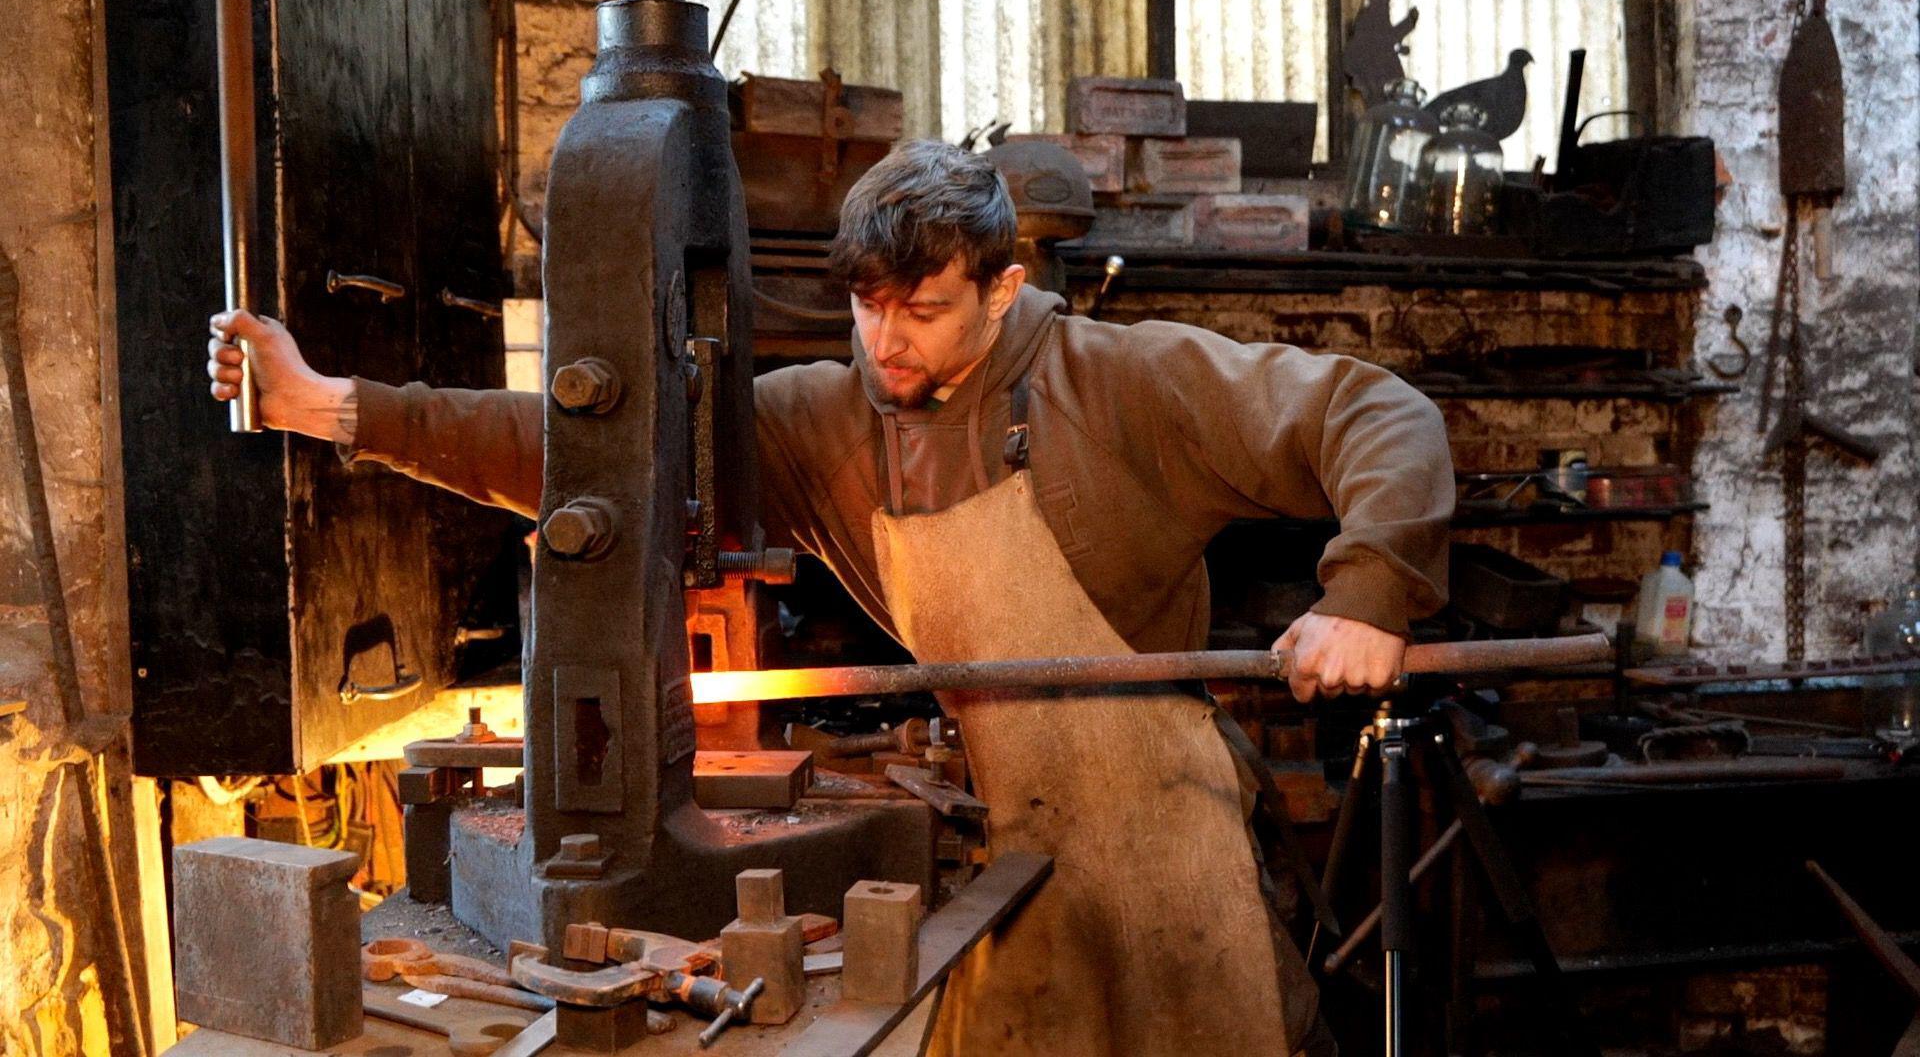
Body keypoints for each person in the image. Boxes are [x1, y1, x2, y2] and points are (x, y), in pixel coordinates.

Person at [209, 139, 1453, 1056]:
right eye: (867, 307)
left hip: (1165, 839)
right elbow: (593, 453)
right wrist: (337, 408)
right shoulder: (822, 421)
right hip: (1012, 837)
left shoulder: (1126, 384)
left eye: (925, 309)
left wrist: (1371, 590)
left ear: (1001, 288)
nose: (887, 341)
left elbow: (1371, 412)